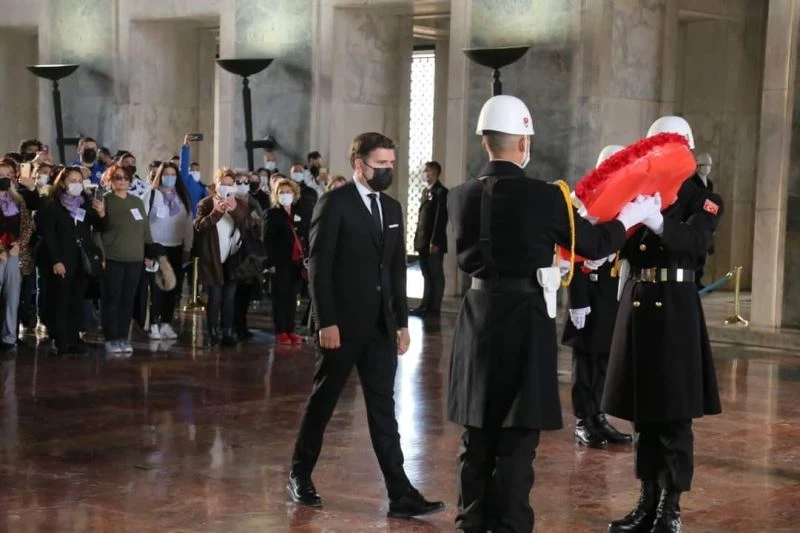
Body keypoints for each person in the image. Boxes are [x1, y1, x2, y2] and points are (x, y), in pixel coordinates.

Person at [446, 95, 660, 533]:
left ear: (485, 141)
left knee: (477, 431)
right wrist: (629, 218)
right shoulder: (545, 196)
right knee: (517, 435)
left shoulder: (459, 196)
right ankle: (511, 524)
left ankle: (471, 521)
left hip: (476, 316)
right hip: (524, 318)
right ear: (524, 142)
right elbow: (594, 245)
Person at [288, 132, 444, 518]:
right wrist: (326, 321)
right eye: (381, 164)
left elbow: (394, 269)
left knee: (383, 410)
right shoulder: (335, 203)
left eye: (391, 163)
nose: (388, 170)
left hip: (380, 327)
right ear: (360, 164)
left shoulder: (391, 208)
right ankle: (299, 474)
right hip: (340, 325)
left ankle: (400, 494)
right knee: (324, 401)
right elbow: (319, 267)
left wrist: (402, 322)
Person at [603, 117, 723, 533]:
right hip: (638, 304)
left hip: (675, 309)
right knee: (643, 414)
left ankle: (670, 507)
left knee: (673, 415)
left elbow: (695, 242)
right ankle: (647, 500)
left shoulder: (703, 200)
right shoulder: (642, 193)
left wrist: (657, 222)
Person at [562, 145, 633, 449]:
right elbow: (573, 252)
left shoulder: (624, 204)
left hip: (610, 294)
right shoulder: (584, 205)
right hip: (588, 294)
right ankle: (583, 420)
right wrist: (578, 299)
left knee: (604, 359)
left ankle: (599, 416)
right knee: (586, 362)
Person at [38, 166, 107, 356]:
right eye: (72, 181)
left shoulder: (85, 204)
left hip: (81, 258)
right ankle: (60, 340)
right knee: (60, 300)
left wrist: (101, 213)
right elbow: (48, 235)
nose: (76, 184)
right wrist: (55, 260)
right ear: (62, 183)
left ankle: (74, 339)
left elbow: (99, 227)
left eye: (79, 181)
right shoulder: (52, 205)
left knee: (76, 300)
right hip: (61, 258)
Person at [98, 164, 155, 356]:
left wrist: (149, 253)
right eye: (118, 177)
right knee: (112, 299)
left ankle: (123, 337)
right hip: (112, 258)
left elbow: (145, 229)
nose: (122, 181)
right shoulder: (105, 201)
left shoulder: (136, 201)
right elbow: (97, 231)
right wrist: (101, 256)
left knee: (128, 300)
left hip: (135, 259)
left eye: (125, 178)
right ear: (110, 180)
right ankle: (111, 338)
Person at [194, 168, 252, 347]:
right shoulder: (206, 203)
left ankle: (228, 330)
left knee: (229, 297)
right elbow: (199, 227)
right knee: (215, 297)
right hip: (213, 256)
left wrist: (235, 212)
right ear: (216, 185)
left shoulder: (240, 204)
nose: (226, 187)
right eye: (223, 184)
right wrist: (216, 213)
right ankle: (212, 331)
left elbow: (248, 226)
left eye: (230, 184)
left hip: (233, 257)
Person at [143, 162, 193, 341]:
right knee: (157, 287)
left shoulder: (182, 197)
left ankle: (166, 322)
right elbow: (143, 221)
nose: (170, 177)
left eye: (173, 174)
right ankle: (154, 323)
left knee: (172, 287)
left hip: (176, 246)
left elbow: (188, 224)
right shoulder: (152, 195)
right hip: (156, 246)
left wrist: (187, 247)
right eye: (166, 174)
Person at [264, 178, 304, 345]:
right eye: (281, 193)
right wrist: (271, 263)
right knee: (280, 297)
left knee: (292, 297)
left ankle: (291, 329)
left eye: (288, 192)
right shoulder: (273, 214)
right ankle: (281, 330)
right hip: (280, 262)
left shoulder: (297, 213)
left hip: (296, 262)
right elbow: (268, 240)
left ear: (294, 194)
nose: (285, 195)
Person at [0, 161, 34, 353]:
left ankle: (9, 337)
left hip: (14, 254)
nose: (4, 178)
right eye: (1, 174)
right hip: (1, 254)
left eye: (8, 174)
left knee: (12, 297)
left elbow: (28, 226)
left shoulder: (18, 200)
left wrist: (20, 243)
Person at [410, 161, 448, 317]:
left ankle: (434, 307)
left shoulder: (441, 192)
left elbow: (440, 219)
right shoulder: (426, 191)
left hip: (433, 242)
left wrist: (435, 241)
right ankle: (425, 305)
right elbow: (422, 218)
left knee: (435, 274)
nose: (425, 173)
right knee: (426, 274)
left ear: (435, 172)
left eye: (427, 170)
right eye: (424, 170)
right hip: (423, 241)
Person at [691, 152, 714, 289]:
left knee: (703, 254)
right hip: (695, 222)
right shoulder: (692, 182)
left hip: (706, 224)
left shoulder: (709, 184)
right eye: (705, 165)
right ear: (698, 166)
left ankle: (699, 280)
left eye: (709, 165)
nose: (708, 168)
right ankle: (694, 281)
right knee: (695, 254)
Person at [179, 134, 208, 216]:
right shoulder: (186, 180)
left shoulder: (202, 186)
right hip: (187, 217)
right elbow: (184, 166)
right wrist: (186, 147)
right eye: (192, 169)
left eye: (197, 169)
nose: (195, 171)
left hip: (199, 217)